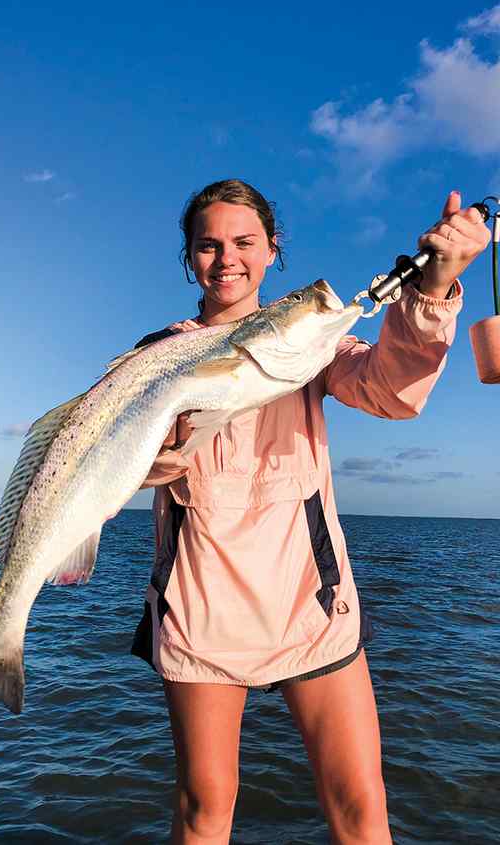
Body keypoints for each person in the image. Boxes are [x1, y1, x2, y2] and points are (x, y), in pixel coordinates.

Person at [130, 179, 490, 844]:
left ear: (273, 250)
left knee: (361, 805)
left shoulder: (308, 334)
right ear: (190, 257)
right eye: (209, 245)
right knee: (205, 807)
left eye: (245, 242)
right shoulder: (158, 354)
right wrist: (157, 456)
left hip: (311, 597)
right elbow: (123, 456)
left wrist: (434, 287)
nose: (227, 259)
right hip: (201, 601)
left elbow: (391, 389)